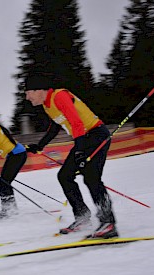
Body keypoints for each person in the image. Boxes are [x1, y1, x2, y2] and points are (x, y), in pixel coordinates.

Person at [24, 75, 118, 239]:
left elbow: (76, 123)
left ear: (39, 90)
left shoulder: (59, 96)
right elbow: (55, 128)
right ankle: (82, 216)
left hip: (96, 135)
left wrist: (80, 151)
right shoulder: (48, 105)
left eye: (28, 92)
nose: (27, 97)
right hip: (85, 139)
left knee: (91, 178)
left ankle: (108, 223)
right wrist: (40, 145)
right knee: (65, 176)